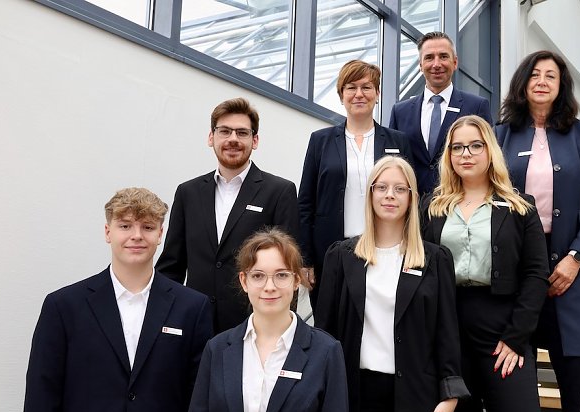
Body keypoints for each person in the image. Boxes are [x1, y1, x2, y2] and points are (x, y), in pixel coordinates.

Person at [20, 188, 213, 412]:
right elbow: (41, 403)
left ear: (160, 234)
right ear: (108, 232)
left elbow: (200, 404)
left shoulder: (192, 307)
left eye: (147, 227)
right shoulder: (64, 307)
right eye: (125, 226)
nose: (137, 235)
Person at [316, 156, 468, 412]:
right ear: (370, 194)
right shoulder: (341, 257)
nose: (390, 195)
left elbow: (447, 334)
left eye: (400, 189)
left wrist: (450, 397)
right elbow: (325, 334)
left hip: (418, 401)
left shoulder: (435, 260)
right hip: (357, 401)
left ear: (412, 198)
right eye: (382, 187)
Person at [421, 115, 550, 412]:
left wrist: (517, 336)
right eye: (457, 147)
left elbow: (536, 273)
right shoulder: (432, 207)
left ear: (490, 151)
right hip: (449, 333)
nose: (466, 154)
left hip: (503, 334)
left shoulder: (520, 206)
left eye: (475, 146)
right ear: (448, 155)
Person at [495, 50, 580, 412]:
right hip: (517, 269)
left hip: (570, 270)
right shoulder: (500, 135)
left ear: (561, 86)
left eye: (551, 76)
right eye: (535, 74)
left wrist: (576, 258)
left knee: (577, 382)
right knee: (516, 385)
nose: (542, 81)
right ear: (523, 83)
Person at [182, 229, 349, 412]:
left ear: (296, 280)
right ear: (244, 281)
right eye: (258, 276)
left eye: (281, 275)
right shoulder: (217, 349)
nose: (269, 287)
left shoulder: (325, 352)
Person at [157, 97, 299, 334]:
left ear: (255, 140)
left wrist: (280, 331)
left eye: (242, 133)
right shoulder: (188, 193)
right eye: (224, 131)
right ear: (211, 137)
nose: (233, 139)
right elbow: (172, 266)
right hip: (194, 326)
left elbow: (288, 268)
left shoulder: (279, 192)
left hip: (253, 328)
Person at [298, 60, 412, 308]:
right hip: (331, 252)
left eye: (366, 87)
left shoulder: (398, 141)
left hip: (386, 251)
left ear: (377, 94)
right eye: (351, 87)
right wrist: (305, 259)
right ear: (341, 95)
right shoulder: (320, 141)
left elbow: (411, 198)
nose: (359, 94)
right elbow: (305, 202)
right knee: (330, 322)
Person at [389, 31, 492, 195]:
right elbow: (392, 162)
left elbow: (489, 157)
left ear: (455, 62)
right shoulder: (400, 112)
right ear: (420, 65)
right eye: (429, 58)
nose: (436, 64)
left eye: (443, 56)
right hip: (413, 204)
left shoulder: (476, 106)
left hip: (460, 200)